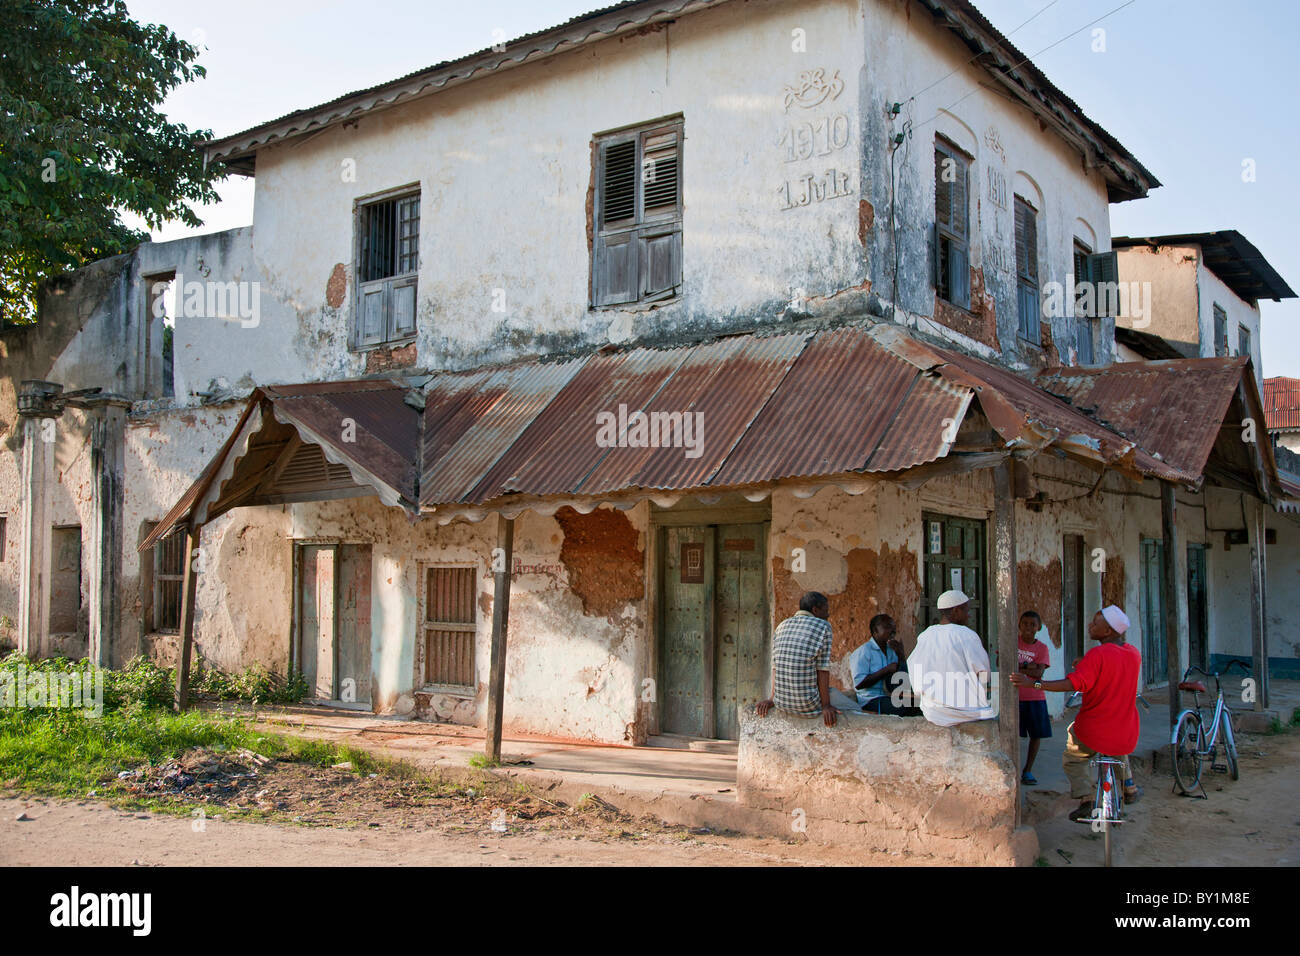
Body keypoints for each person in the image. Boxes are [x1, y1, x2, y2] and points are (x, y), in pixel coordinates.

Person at [1009, 604, 1141, 822]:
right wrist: (1086, 664)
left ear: (1107, 631)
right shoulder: (1133, 653)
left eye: (1095, 623)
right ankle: (1130, 786)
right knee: (1116, 744)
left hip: (1093, 731)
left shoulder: (1097, 654)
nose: (1089, 625)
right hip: (1127, 732)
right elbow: (1111, 669)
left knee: (1073, 755)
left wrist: (1035, 685)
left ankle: (1086, 798)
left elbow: (1072, 684)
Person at [906, 590, 996, 726]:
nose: (969, 615)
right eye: (966, 610)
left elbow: (913, 669)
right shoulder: (967, 635)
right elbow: (984, 673)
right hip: (966, 712)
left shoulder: (926, 635)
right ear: (955, 611)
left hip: (933, 712)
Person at [757, 591, 837, 727]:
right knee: (852, 705)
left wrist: (772, 699)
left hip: (781, 703)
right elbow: (822, 670)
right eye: (826, 610)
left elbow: (776, 666)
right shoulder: (823, 626)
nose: (828, 615)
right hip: (809, 706)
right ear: (815, 610)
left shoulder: (782, 625)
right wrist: (826, 705)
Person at [846, 614, 918, 715]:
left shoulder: (891, 651)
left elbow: (901, 679)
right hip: (871, 699)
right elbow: (859, 684)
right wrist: (886, 670)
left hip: (889, 696)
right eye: (888, 627)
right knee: (902, 709)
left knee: (918, 706)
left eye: (894, 627)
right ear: (875, 630)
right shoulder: (864, 651)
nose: (893, 631)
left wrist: (901, 655)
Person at [1017, 610, 1053, 785]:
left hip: (1035, 697)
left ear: (1038, 627)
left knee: (1036, 735)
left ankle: (1028, 770)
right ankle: (1013, 768)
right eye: (1025, 623)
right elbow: (1004, 664)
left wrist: (1019, 667)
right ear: (1019, 625)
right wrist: (1028, 666)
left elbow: (1039, 673)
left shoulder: (1042, 648)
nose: (1028, 628)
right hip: (1015, 697)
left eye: (1033, 624)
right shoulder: (1012, 642)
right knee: (1013, 733)